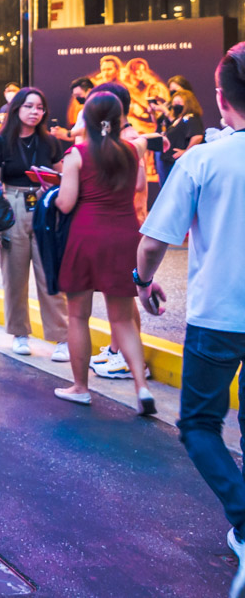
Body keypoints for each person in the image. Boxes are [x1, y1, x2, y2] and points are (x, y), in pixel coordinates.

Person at [136, 43, 245, 596]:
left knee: (200, 425)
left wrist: (143, 281)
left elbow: (153, 242)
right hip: (218, 318)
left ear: (222, 99)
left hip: (219, 316)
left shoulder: (202, 161)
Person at [51, 92, 156, 415]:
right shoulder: (131, 150)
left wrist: (51, 194)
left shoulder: (76, 155)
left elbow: (66, 203)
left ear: (88, 119)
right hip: (125, 236)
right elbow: (139, 185)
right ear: (119, 116)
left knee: (79, 315)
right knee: (122, 318)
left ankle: (81, 388)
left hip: (86, 237)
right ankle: (142, 388)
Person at [0, 87, 69, 361]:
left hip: (45, 206)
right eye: (29, 106)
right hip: (12, 203)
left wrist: (51, 185)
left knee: (49, 272)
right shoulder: (1, 142)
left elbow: (64, 178)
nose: (35, 112)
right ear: (17, 109)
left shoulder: (50, 142)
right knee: (14, 274)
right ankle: (19, 333)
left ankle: (61, 336)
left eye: (40, 108)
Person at [158, 89, 205, 183]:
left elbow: (197, 136)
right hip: (168, 162)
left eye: (178, 102)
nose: (175, 105)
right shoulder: (178, 119)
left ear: (187, 103)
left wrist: (186, 151)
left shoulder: (191, 118)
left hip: (177, 164)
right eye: (174, 102)